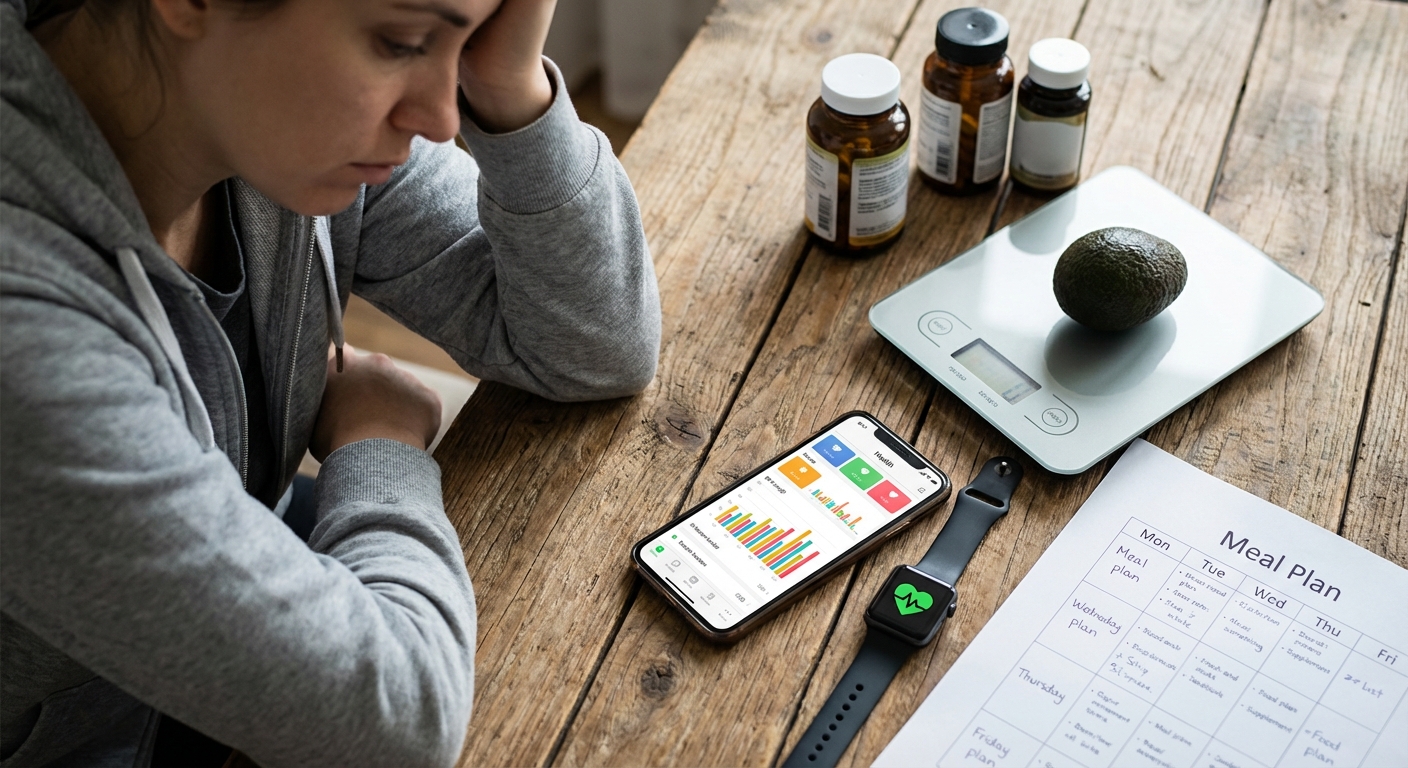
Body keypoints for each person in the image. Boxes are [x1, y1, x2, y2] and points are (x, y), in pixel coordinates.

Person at [0, 0, 661, 763]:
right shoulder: (24, 324)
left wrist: (508, 85)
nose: (445, 119)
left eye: (469, 38)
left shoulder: (256, 111)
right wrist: (377, 445)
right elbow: (396, 729)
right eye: (403, 42)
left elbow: (592, 345)